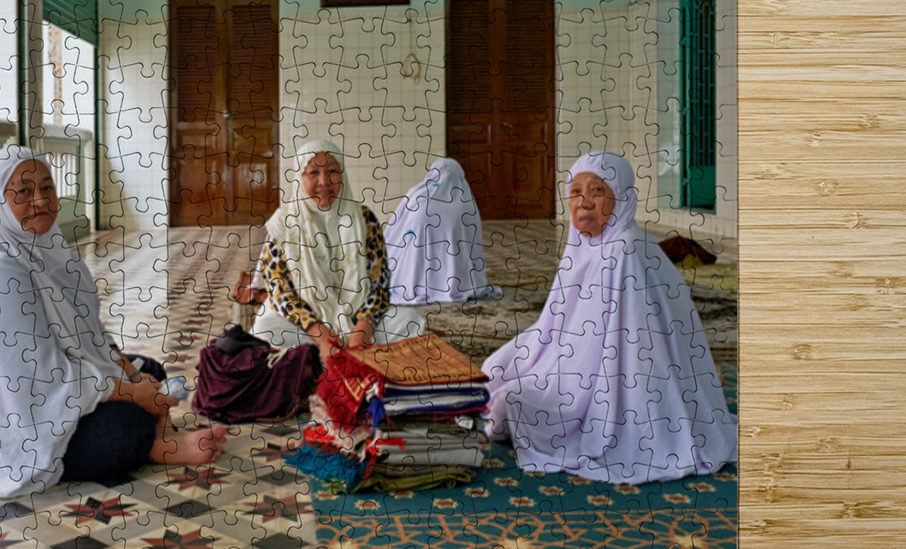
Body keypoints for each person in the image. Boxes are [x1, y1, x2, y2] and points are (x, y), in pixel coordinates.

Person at [0, 145, 226, 499]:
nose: (40, 201)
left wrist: (132, 376)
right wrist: (133, 393)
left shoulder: (48, 251)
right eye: (24, 192)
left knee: (149, 367)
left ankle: (158, 435)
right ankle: (153, 445)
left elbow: (89, 336)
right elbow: (42, 380)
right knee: (123, 428)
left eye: (47, 188)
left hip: (43, 394)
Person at [481, 151, 737, 484]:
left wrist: (537, 375)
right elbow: (556, 327)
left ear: (622, 199)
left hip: (619, 389)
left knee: (509, 404)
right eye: (575, 192)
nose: (584, 202)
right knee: (492, 373)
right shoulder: (588, 246)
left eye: (597, 192)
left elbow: (600, 353)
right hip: (582, 365)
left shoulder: (623, 252)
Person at [251, 139, 424, 365]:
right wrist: (321, 336)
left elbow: (379, 285)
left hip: (356, 318)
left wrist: (362, 331)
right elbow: (279, 291)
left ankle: (330, 358)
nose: (324, 181)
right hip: (305, 323)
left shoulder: (364, 219)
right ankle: (324, 357)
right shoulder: (282, 225)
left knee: (410, 321)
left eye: (333, 171)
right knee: (266, 328)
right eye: (313, 172)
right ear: (300, 178)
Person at [383, 157, 500, 304]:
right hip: (457, 270)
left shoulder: (417, 193)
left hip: (415, 265)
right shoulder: (467, 203)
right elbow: (473, 244)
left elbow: (398, 223)